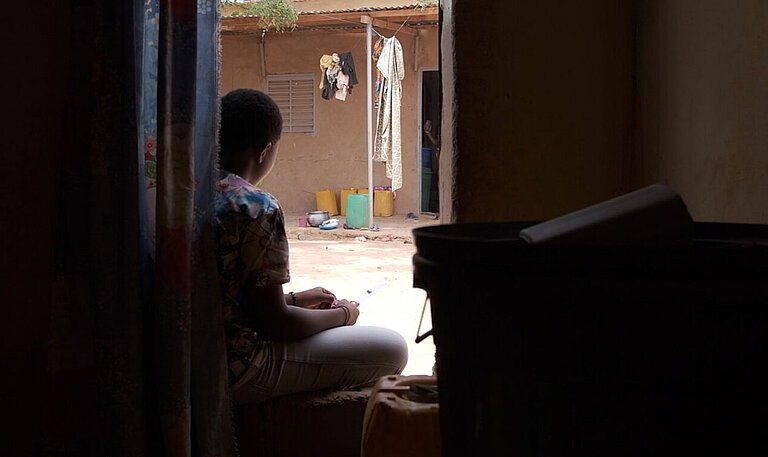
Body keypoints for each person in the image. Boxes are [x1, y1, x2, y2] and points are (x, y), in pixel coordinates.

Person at [215, 89, 408, 404]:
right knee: (391, 348)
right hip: (236, 369)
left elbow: (230, 295)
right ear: (264, 151)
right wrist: (343, 315)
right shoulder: (255, 206)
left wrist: (294, 298)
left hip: (184, 357)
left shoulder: (184, 193)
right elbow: (276, 323)